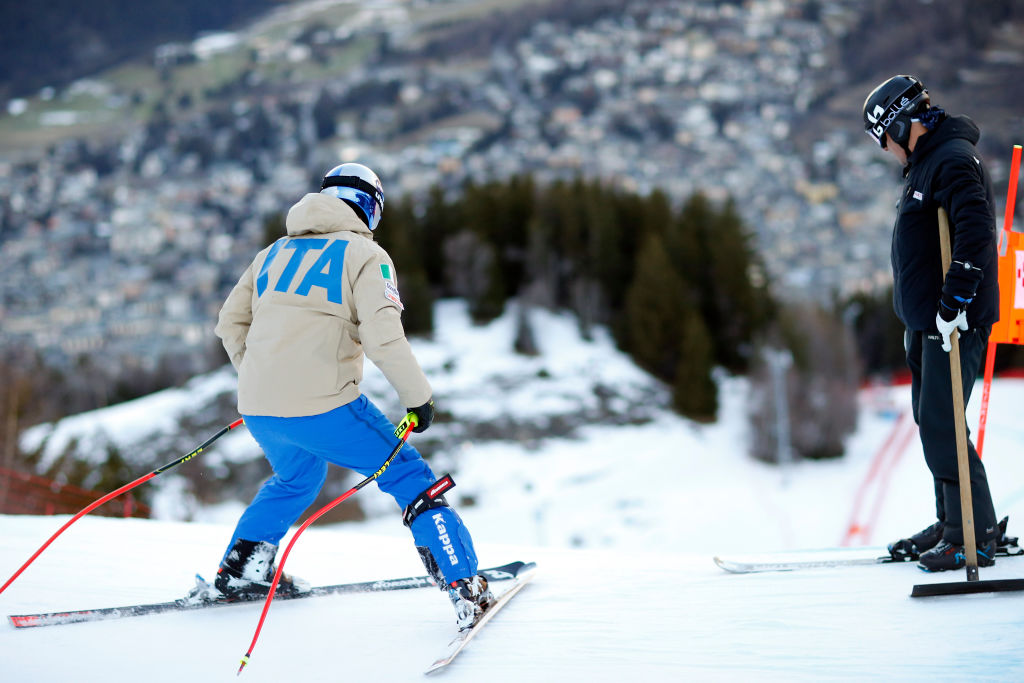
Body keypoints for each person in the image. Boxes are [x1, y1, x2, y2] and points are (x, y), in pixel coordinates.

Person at [210, 162, 493, 628]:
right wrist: (418, 399)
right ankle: (465, 585)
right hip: (325, 405)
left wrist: (261, 376)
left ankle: (241, 571)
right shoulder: (364, 255)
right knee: (411, 480)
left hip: (259, 405)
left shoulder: (272, 253)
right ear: (368, 208)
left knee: (296, 478)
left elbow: (229, 324)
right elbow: (383, 339)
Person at [862, 75, 1001, 572]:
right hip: (929, 322)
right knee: (932, 421)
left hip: (953, 322)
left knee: (943, 424)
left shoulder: (951, 159)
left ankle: (974, 531)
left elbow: (976, 230)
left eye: (886, 139)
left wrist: (954, 301)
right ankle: (952, 521)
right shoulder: (926, 163)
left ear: (902, 124)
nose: (888, 151)